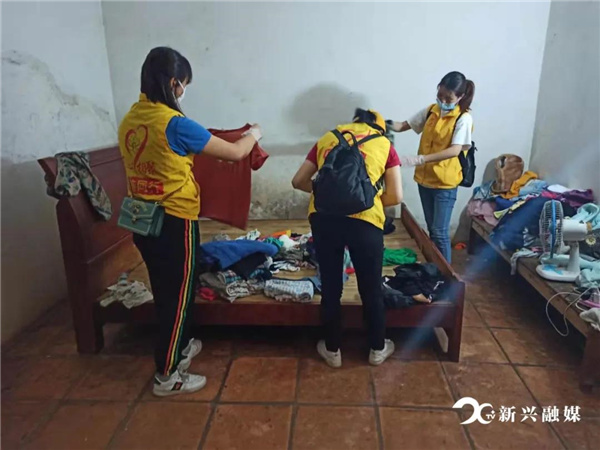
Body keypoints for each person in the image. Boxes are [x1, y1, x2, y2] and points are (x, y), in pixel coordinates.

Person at [118, 47, 262, 396]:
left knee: (165, 289)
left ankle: (180, 346)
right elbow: (235, 153)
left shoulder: (132, 119)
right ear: (173, 83)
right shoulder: (175, 124)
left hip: (141, 219)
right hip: (173, 221)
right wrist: (254, 134)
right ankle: (168, 375)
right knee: (179, 297)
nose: (184, 91)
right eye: (184, 84)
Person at [291, 109, 403, 368]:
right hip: (365, 222)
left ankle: (332, 350)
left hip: (324, 218)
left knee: (331, 285)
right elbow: (396, 196)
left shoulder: (327, 138)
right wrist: (366, 201)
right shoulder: (384, 144)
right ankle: (377, 349)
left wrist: (327, 195)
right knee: (371, 287)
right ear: (378, 127)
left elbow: (298, 181)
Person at [388, 71, 475, 263]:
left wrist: (420, 159)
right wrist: (379, 122)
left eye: (448, 98)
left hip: (445, 183)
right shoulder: (431, 111)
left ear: (460, 97)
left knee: (440, 232)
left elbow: (455, 150)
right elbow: (402, 126)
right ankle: (434, 269)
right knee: (432, 229)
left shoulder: (463, 118)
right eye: (440, 95)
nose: (443, 101)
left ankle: (446, 275)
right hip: (425, 180)